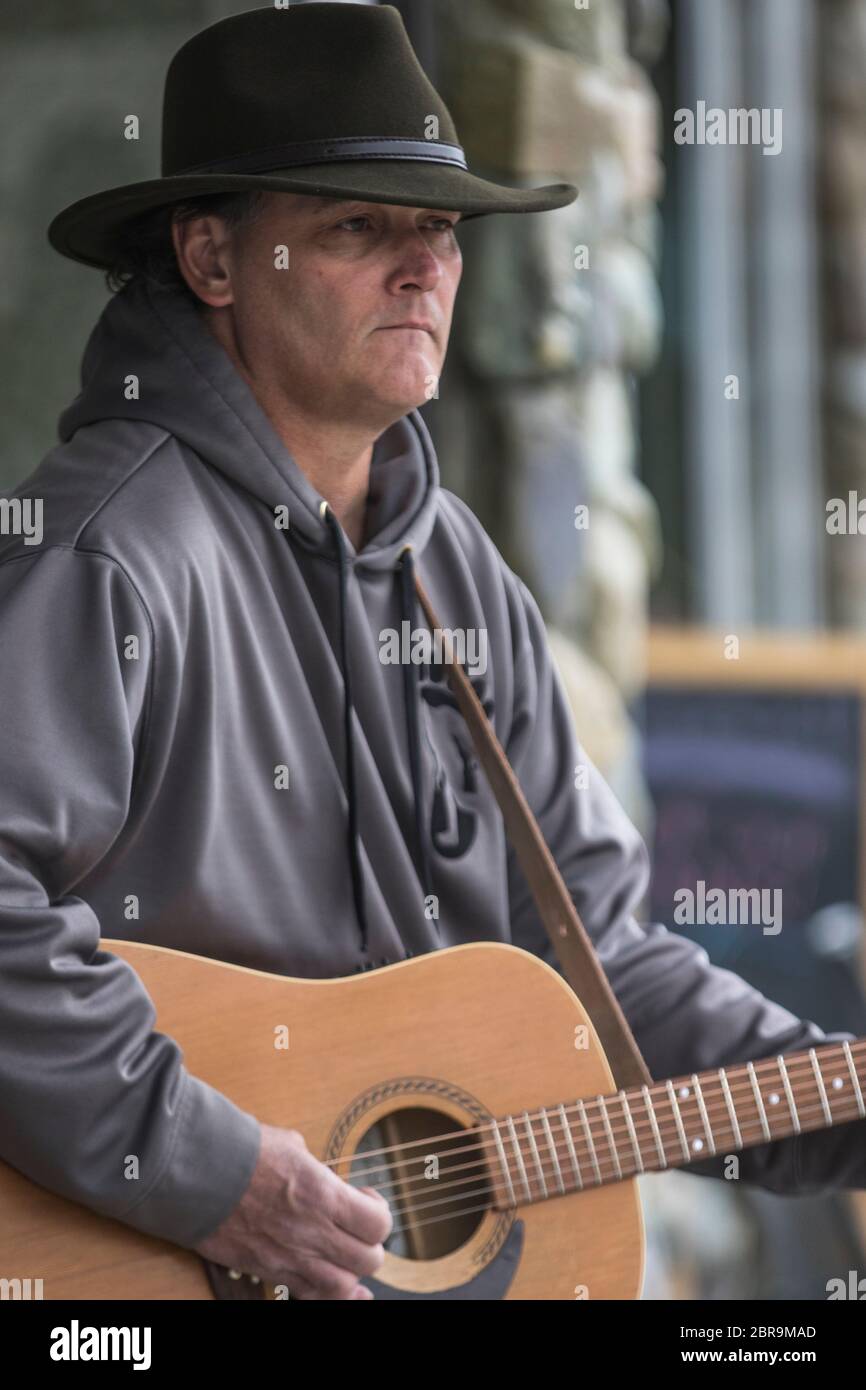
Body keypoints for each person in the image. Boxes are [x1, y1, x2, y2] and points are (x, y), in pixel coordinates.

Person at [1, 3, 863, 1303]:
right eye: (359, 227)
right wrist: (212, 1171)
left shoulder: (454, 569)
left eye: (441, 231)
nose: (422, 270)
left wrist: (837, 1097)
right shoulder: (107, 549)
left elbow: (600, 968)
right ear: (211, 260)